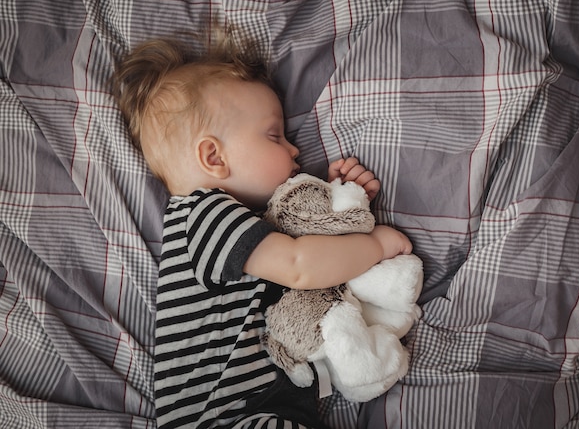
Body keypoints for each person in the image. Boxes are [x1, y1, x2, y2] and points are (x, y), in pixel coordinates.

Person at [113, 30, 412, 429]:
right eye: (274, 135)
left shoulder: (233, 223)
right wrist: (373, 245)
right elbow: (300, 266)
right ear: (214, 157)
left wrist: (337, 197)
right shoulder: (202, 216)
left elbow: (299, 241)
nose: (294, 150)